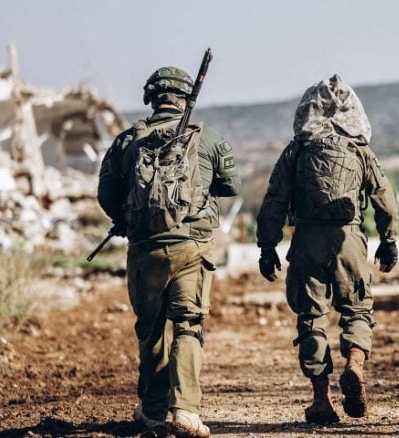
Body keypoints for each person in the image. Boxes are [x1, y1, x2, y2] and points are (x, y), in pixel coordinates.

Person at [97, 66, 241, 438]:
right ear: (185, 97)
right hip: (192, 248)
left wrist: (127, 219)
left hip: (145, 249)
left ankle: (153, 410)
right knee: (189, 325)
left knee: (151, 330)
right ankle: (187, 411)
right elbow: (231, 185)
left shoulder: (127, 140)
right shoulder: (207, 136)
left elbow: (106, 193)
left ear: (151, 98)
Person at [256, 74, 399, 425]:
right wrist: (389, 239)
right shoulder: (360, 150)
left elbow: (274, 201)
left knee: (311, 317)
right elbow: (384, 199)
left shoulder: (296, 150)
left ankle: (321, 401)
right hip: (349, 241)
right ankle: (355, 366)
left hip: (306, 241)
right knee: (358, 310)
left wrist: (267, 247)